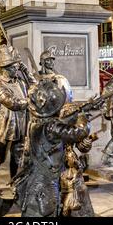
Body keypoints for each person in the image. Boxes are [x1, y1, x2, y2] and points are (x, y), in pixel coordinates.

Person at [13, 79, 90, 217]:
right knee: (45, 212)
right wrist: (82, 117)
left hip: (34, 180)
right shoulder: (51, 127)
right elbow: (79, 132)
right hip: (46, 183)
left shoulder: (35, 123)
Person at [0, 44, 35, 181]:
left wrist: (26, 71)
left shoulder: (21, 83)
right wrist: (30, 102)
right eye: (14, 67)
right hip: (6, 127)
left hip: (21, 125)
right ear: (5, 69)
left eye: (17, 66)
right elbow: (11, 102)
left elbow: (35, 87)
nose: (16, 69)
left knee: (17, 158)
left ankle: (15, 183)